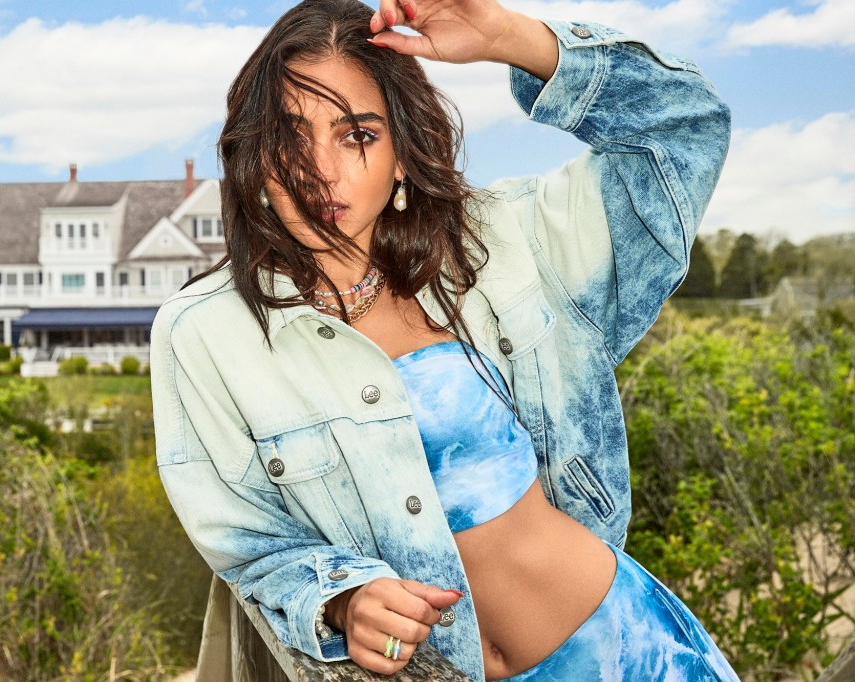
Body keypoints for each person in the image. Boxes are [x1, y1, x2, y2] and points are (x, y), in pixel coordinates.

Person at [151, 0, 736, 679]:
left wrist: (512, 38)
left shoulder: (510, 242)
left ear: (402, 154)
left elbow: (683, 130)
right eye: (290, 136)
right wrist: (343, 600)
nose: (321, 171)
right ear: (254, 152)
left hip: (634, 649)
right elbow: (248, 542)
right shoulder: (206, 333)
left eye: (357, 135)